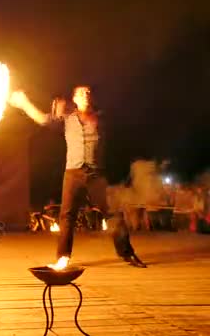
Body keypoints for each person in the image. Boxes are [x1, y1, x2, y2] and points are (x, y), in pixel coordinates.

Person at [9, 85, 146, 268]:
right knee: (67, 216)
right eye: (81, 93)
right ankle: (63, 257)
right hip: (73, 173)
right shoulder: (67, 119)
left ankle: (127, 253)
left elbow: (120, 136)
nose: (85, 95)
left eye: (88, 92)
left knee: (114, 214)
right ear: (75, 99)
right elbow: (43, 120)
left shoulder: (101, 119)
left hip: (96, 174)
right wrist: (24, 103)